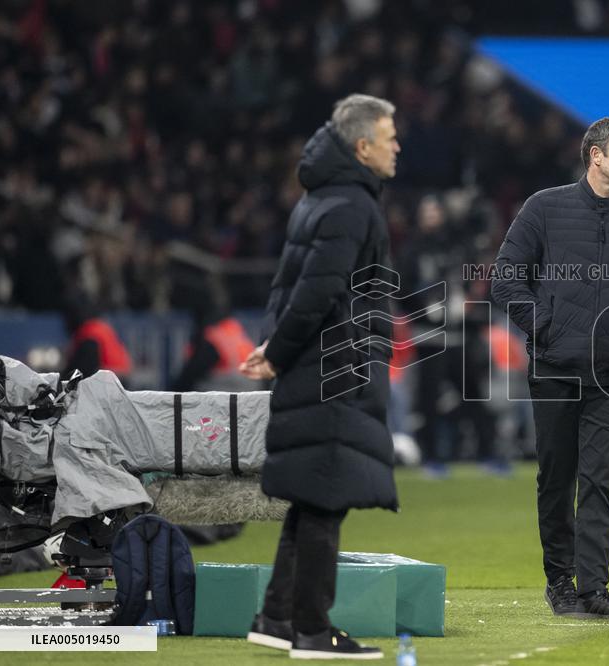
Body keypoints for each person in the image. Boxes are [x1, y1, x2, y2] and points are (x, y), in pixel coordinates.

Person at [491, 117, 609, 620]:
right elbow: (506, 278)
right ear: (595, 155)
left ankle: (594, 589)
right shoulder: (544, 208)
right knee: (556, 478)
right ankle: (560, 583)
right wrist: (542, 327)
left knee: (600, 480)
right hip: (555, 369)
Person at [239, 94, 400, 660]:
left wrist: (274, 347)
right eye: (389, 136)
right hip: (336, 368)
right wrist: (279, 352)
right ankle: (312, 629)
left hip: (313, 363)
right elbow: (317, 292)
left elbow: (292, 288)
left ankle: (276, 616)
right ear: (362, 147)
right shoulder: (354, 205)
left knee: (311, 495)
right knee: (328, 496)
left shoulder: (319, 200)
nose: (397, 145)